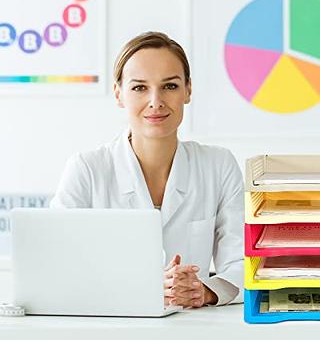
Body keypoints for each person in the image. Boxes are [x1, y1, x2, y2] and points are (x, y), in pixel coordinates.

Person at [50, 31, 244, 307]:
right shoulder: (87, 170)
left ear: (188, 90)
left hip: (193, 327)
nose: (156, 101)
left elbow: (243, 263)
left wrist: (206, 291)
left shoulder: (218, 165)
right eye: (140, 88)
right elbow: (58, 267)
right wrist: (143, 288)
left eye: (170, 86)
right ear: (119, 94)